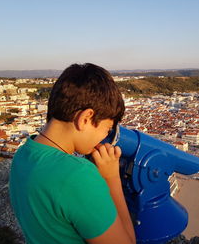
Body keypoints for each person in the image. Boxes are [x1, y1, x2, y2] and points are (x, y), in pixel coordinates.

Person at [9, 63, 136, 244]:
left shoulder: (22, 155)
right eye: (107, 129)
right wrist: (111, 178)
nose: (104, 138)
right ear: (85, 118)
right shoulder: (77, 175)